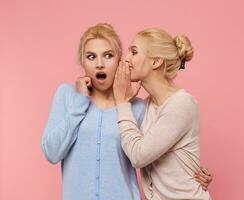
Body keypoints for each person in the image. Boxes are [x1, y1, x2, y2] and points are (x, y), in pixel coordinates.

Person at [42, 23, 212, 200]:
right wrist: (80, 102)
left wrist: (193, 175)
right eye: (91, 56)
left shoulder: (139, 107)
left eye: (108, 55)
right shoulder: (68, 95)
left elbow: (147, 154)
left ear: (118, 60)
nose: (100, 64)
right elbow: (52, 153)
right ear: (82, 62)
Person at [114, 28, 212, 199]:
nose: (127, 58)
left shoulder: (182, 104)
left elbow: (138, 156)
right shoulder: (148, 106)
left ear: (156, 61)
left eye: (134, 52)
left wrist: (122, 103)